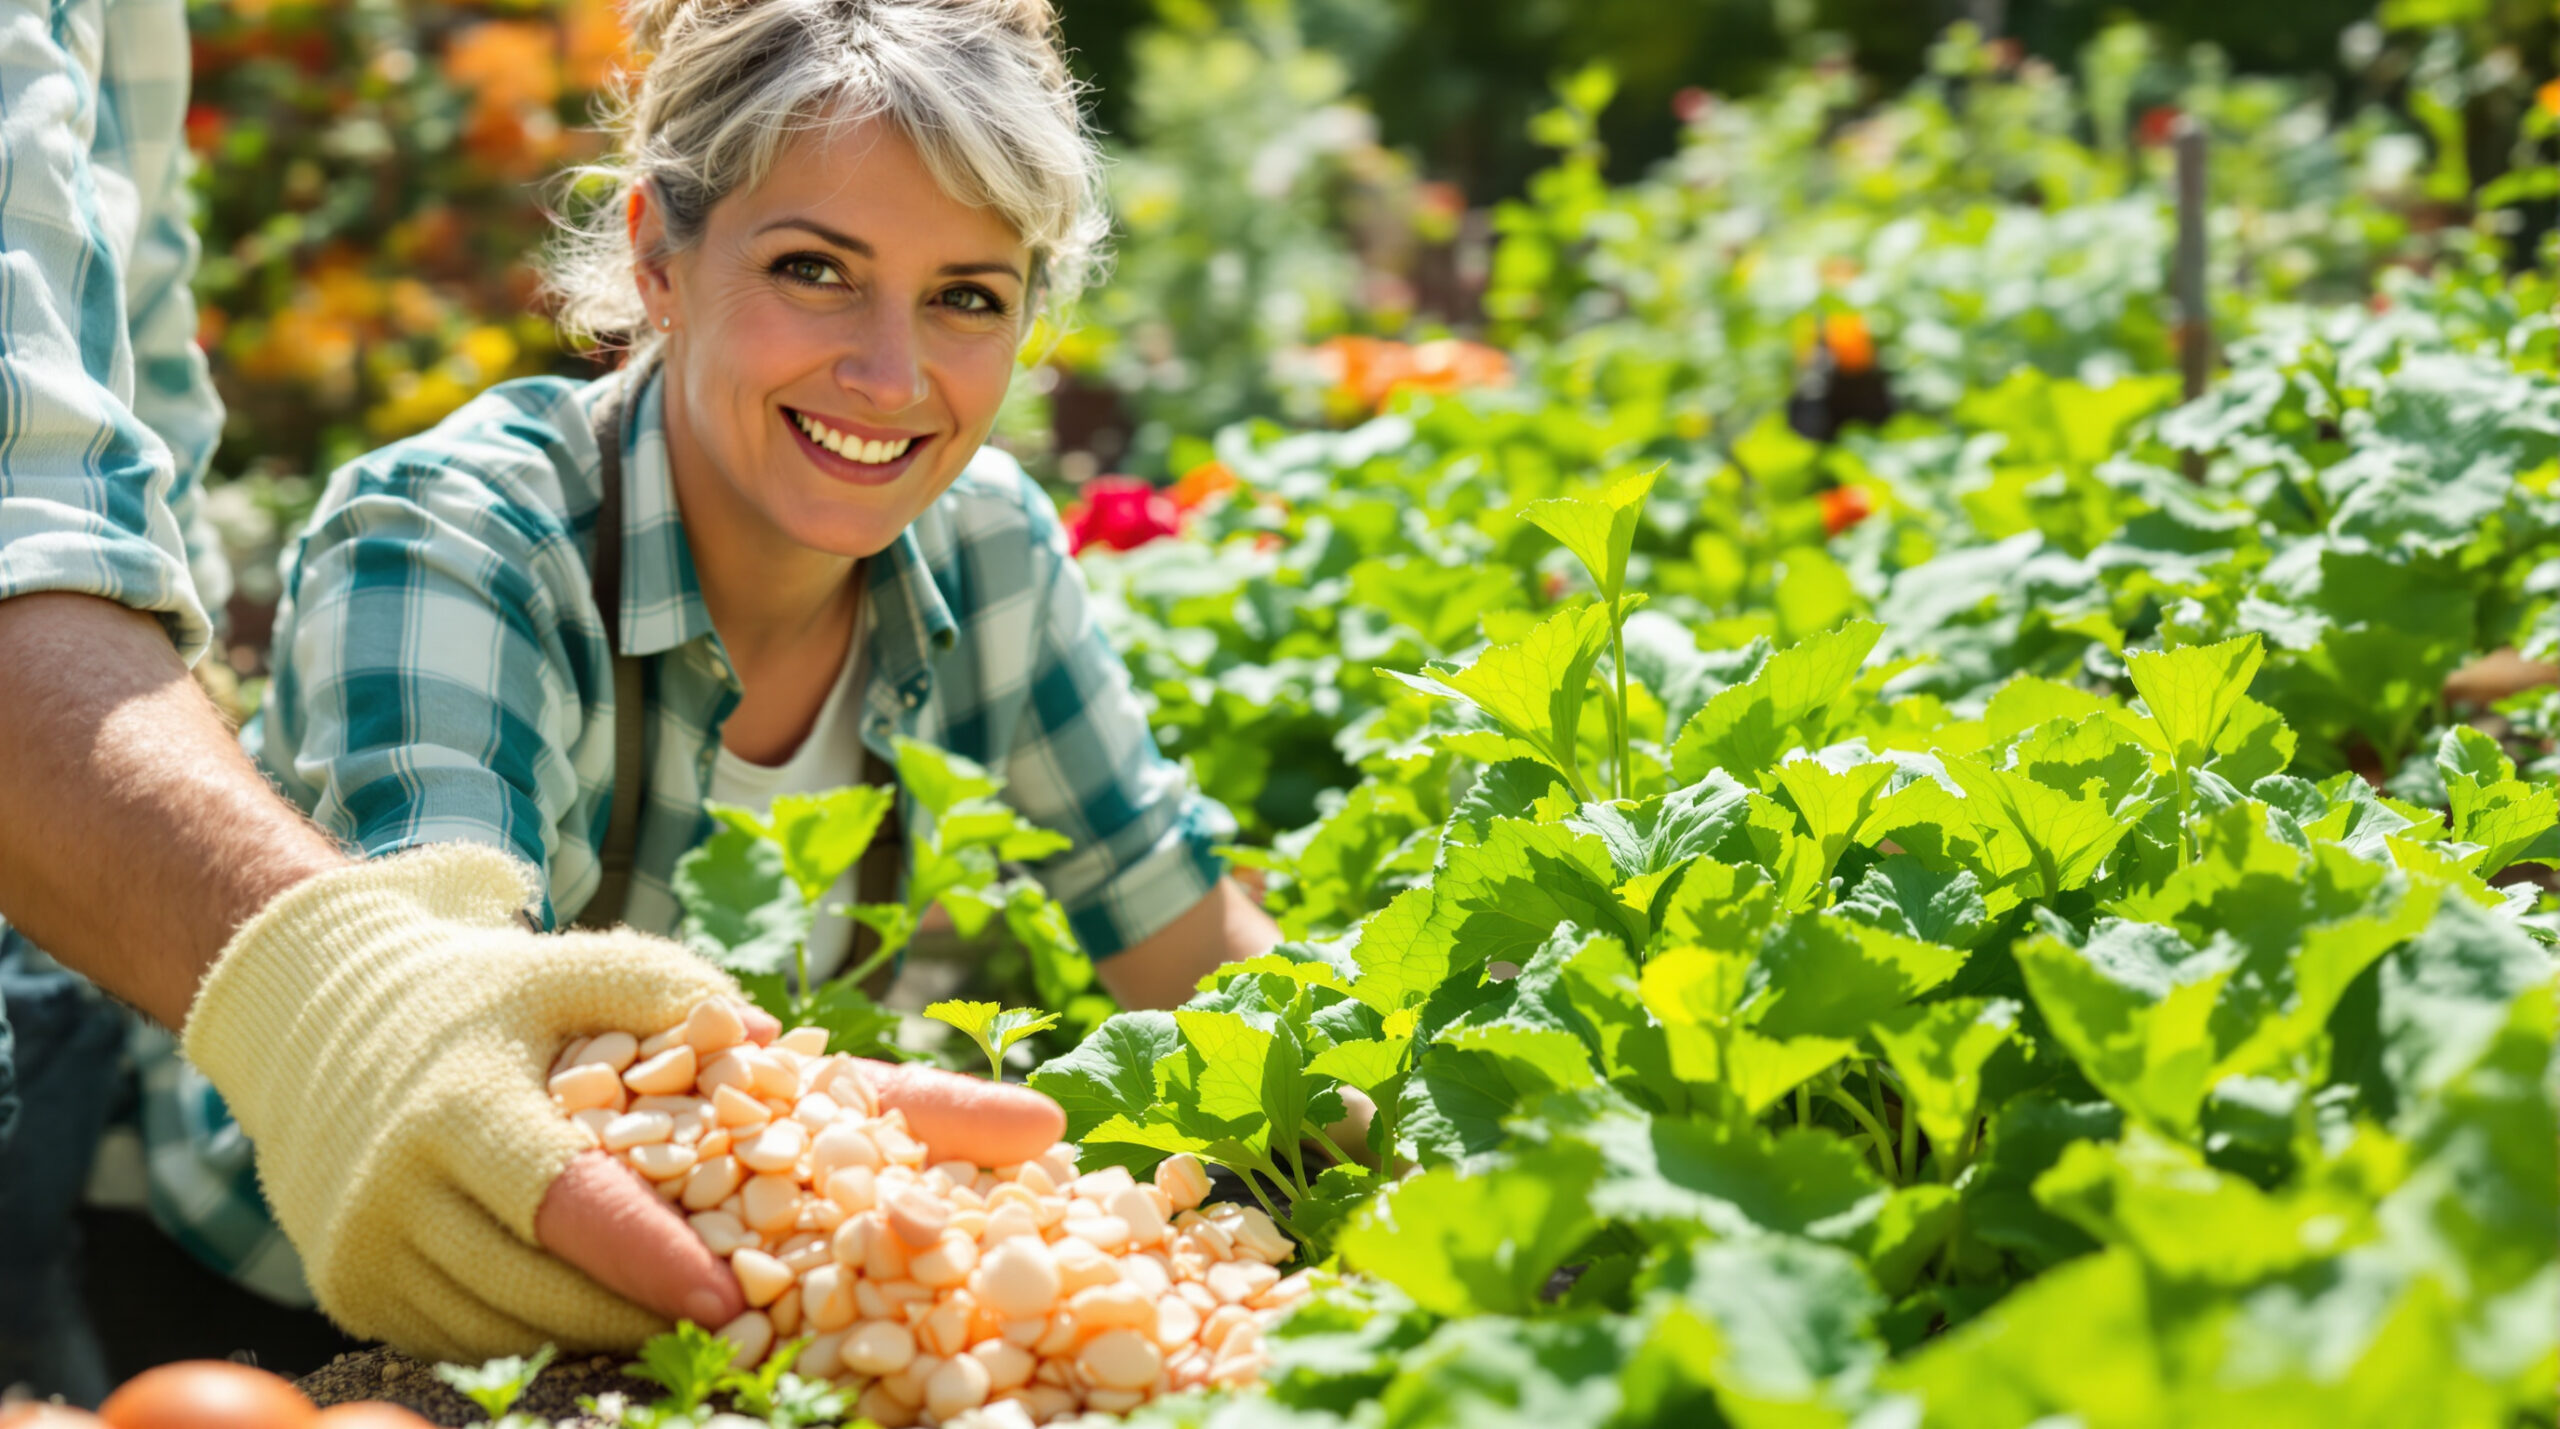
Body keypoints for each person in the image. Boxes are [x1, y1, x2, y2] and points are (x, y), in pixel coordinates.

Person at [0, 0, 1104, 1389]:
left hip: (693, 1270)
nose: (893, 374)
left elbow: (1172, 915)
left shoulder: (990, 540)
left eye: (968, 295)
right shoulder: (456, 539)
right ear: (658, 255)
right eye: (816, 269)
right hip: (298, 1298)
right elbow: (477, 995)